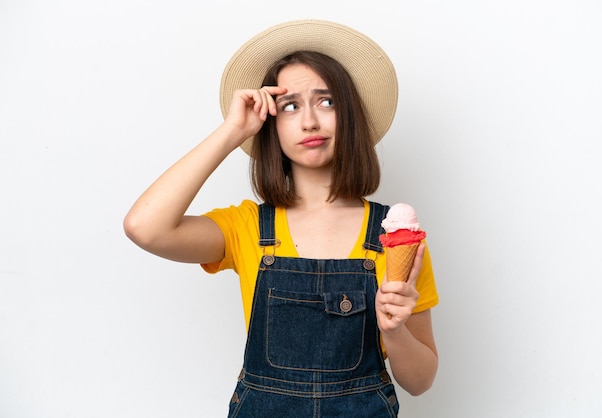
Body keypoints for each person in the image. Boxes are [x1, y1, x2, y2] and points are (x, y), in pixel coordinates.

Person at [124, 19, 438, 417]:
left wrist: (394, 331)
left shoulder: (396, 239)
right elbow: (144, 227)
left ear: (351, 115)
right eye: (290, 106)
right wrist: (233, 130)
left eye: (327, 101)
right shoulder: (247, 227)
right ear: (271, 124)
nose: (310, 121)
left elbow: (420, 381)